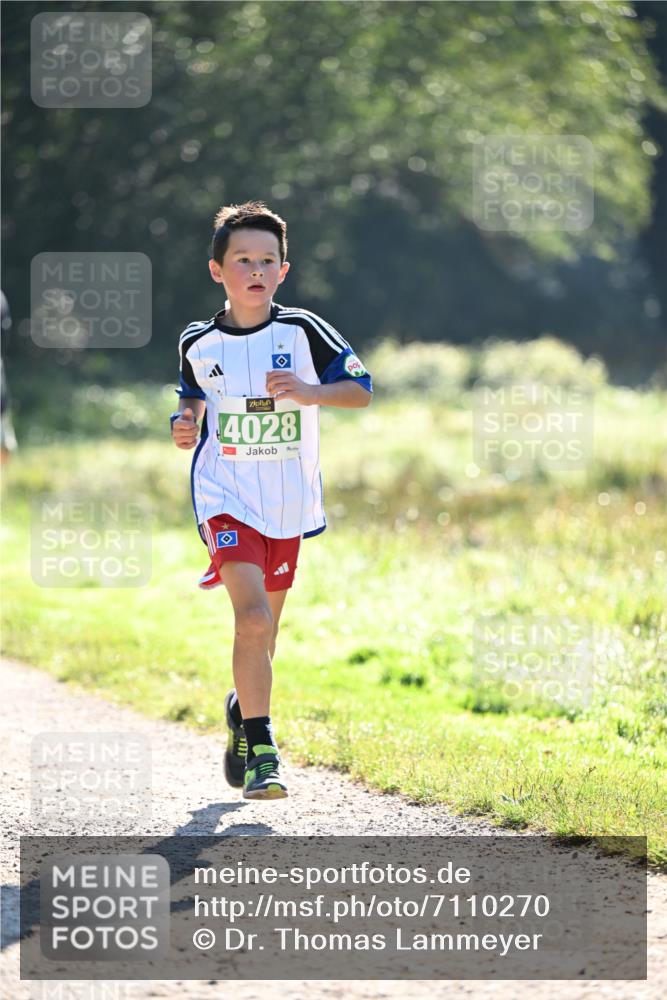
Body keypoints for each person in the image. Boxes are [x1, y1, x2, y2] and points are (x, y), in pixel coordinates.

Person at [171, 201, 372, 800]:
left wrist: (310, 391)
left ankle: (242, 710)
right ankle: (264, 753)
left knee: (265, 632)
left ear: (283, 270)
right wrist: (185, 421)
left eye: (267, 260)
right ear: (217, 270)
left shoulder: (303, 330)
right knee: (252, 619)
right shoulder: (198, 340)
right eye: (243, 260)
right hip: (224, 492)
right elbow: (192, 395)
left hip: (286, 500)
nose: (255, 270)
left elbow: (360, 391)